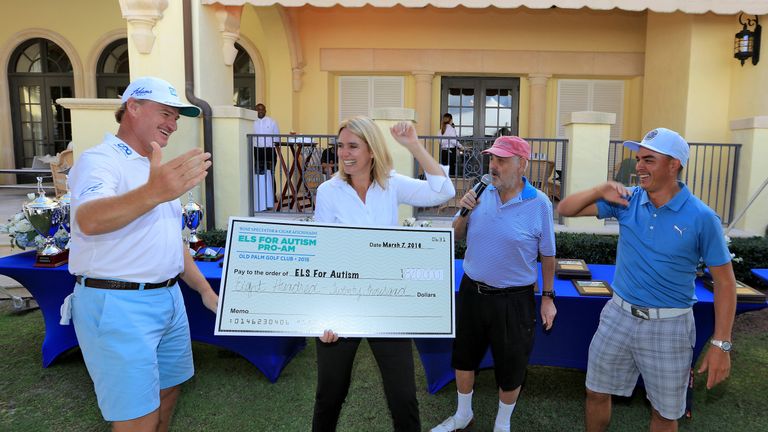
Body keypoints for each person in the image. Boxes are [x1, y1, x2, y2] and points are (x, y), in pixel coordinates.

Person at [556, 128, 737, 432]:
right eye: (638, 159)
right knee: (596, 391)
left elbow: (726, 283)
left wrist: (721, 344)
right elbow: (565, 209)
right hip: (617, 315)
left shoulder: (702, 217)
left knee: (665, 414)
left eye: (649, 160)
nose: (639, 166)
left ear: (674, 164)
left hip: (670, 327)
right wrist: (600, 189)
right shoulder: (627, 199)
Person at [65, 76, 218, 432]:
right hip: (117, 304)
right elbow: (88, 219)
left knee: (168, 393)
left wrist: (205, 291)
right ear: (132, 108)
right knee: (137, 418)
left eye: (177, 117)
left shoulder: (155, 167)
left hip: (167, 299)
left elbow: (171, 242)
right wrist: (154, 192)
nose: (173, 124)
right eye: (165, 113)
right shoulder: (99, 161)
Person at [312, 116, 455, 431]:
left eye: (353, 146)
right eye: (340, 147)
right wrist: (323, 316)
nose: (344, 153)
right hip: (341, 305)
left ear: (372, 150)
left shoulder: (391, 184)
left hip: (387, 305)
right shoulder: (328, 191)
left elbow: (443, 190)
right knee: (329, 396)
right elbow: (322, 251)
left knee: (403, 397)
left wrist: (413, 145)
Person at [431, 136, 556, 432]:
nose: (494, 166)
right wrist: (464, 211)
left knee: (511, 366)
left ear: (522, 164)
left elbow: (548, 255)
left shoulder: (540, 204)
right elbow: (457, 234)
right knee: (463, 355)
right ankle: (463, 415)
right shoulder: (480, 191)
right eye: (492, 159)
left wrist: (548, 297)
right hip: (472, 290)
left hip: (514, 299)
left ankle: (502, 424)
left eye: (502, 160)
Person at [252, 103, 280, 174]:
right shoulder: (252, 122)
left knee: (271, 174)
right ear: (255, 111)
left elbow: (277, 137)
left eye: (262, 109)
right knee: (258, 174)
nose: (260, 111)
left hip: (269, 151)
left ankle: (271, 185)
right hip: (257, 151)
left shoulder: (272, 122)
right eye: (258, 109)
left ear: (265, 111)